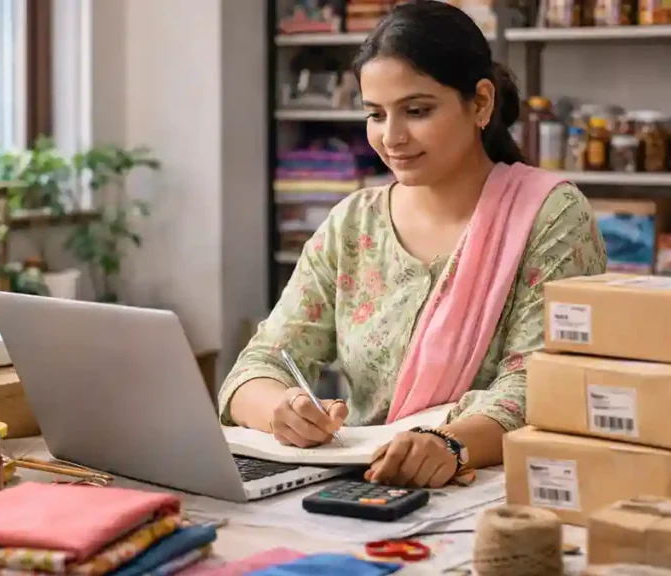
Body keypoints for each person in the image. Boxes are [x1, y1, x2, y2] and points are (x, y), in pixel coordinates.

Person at [219, 0, 607, 488]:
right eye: (375, 114)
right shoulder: (353, 224)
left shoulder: (551, 215)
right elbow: (261, 362)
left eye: (417, 111)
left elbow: (543, 379)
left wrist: (448, 444)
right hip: (365, 486)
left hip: (496, 490)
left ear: (480, 103)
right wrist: (282, 408)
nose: (392, 137)